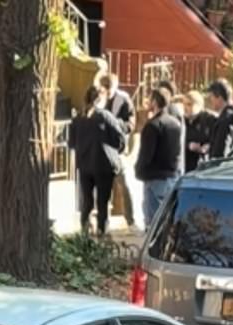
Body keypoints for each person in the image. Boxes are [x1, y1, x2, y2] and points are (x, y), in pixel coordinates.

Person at [69, 86, 126, 236]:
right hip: (104, 165)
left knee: (86, 201)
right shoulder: (105, 116)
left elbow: (71, 143)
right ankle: (102, 230)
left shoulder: (78, 118)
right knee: (103, 201)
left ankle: (85, 230)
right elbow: (120, 139)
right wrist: (114, 151)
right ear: (101, 99)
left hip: (84, 165)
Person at [135, 88, 182, 228]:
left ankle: (154, 249)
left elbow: (146, 154)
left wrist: (139, 169)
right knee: (167, 219)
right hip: (172, 174)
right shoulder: (175, 123)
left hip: (154, 177)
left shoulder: (153, 125)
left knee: (153, 222)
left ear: (154, 102)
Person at [98, 73, 137, 230]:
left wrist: (116, 126)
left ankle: (131, 220)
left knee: (123, 183)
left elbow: (131, 124)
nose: (106, 92)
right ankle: (102, 221)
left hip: (117, 149)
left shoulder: (124, 100)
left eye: (109, 88)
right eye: (104, 88)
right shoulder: (97, 98)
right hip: (100, 148)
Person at [183, 90, 216, 172]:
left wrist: (208, 146)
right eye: (184, 104)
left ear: (199, 105)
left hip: (204, 165)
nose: (185, 108)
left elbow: (217, 139)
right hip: (186, 165)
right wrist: (188, 145)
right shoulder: (182, 121)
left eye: (189, 104)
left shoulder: (210, 119)